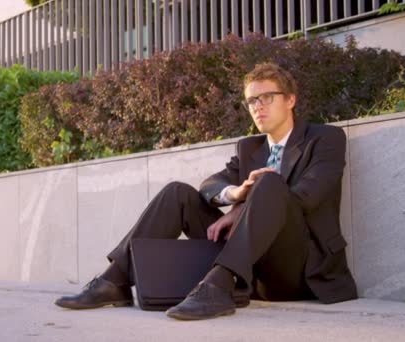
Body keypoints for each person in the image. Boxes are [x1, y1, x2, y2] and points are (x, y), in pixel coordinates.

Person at [54, 62, 358, 320]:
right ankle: (115, 281)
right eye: (251, 100)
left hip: (299, 269)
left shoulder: (325, 138)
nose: (258, 106)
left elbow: (308, 195)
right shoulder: (250, 147)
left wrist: (241, 208)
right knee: (178, 194)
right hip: (252, 267)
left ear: (290, 100)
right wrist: (235, 195)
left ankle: (218, 287)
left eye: (267, 97)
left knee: (269, 182)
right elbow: (210, 185)